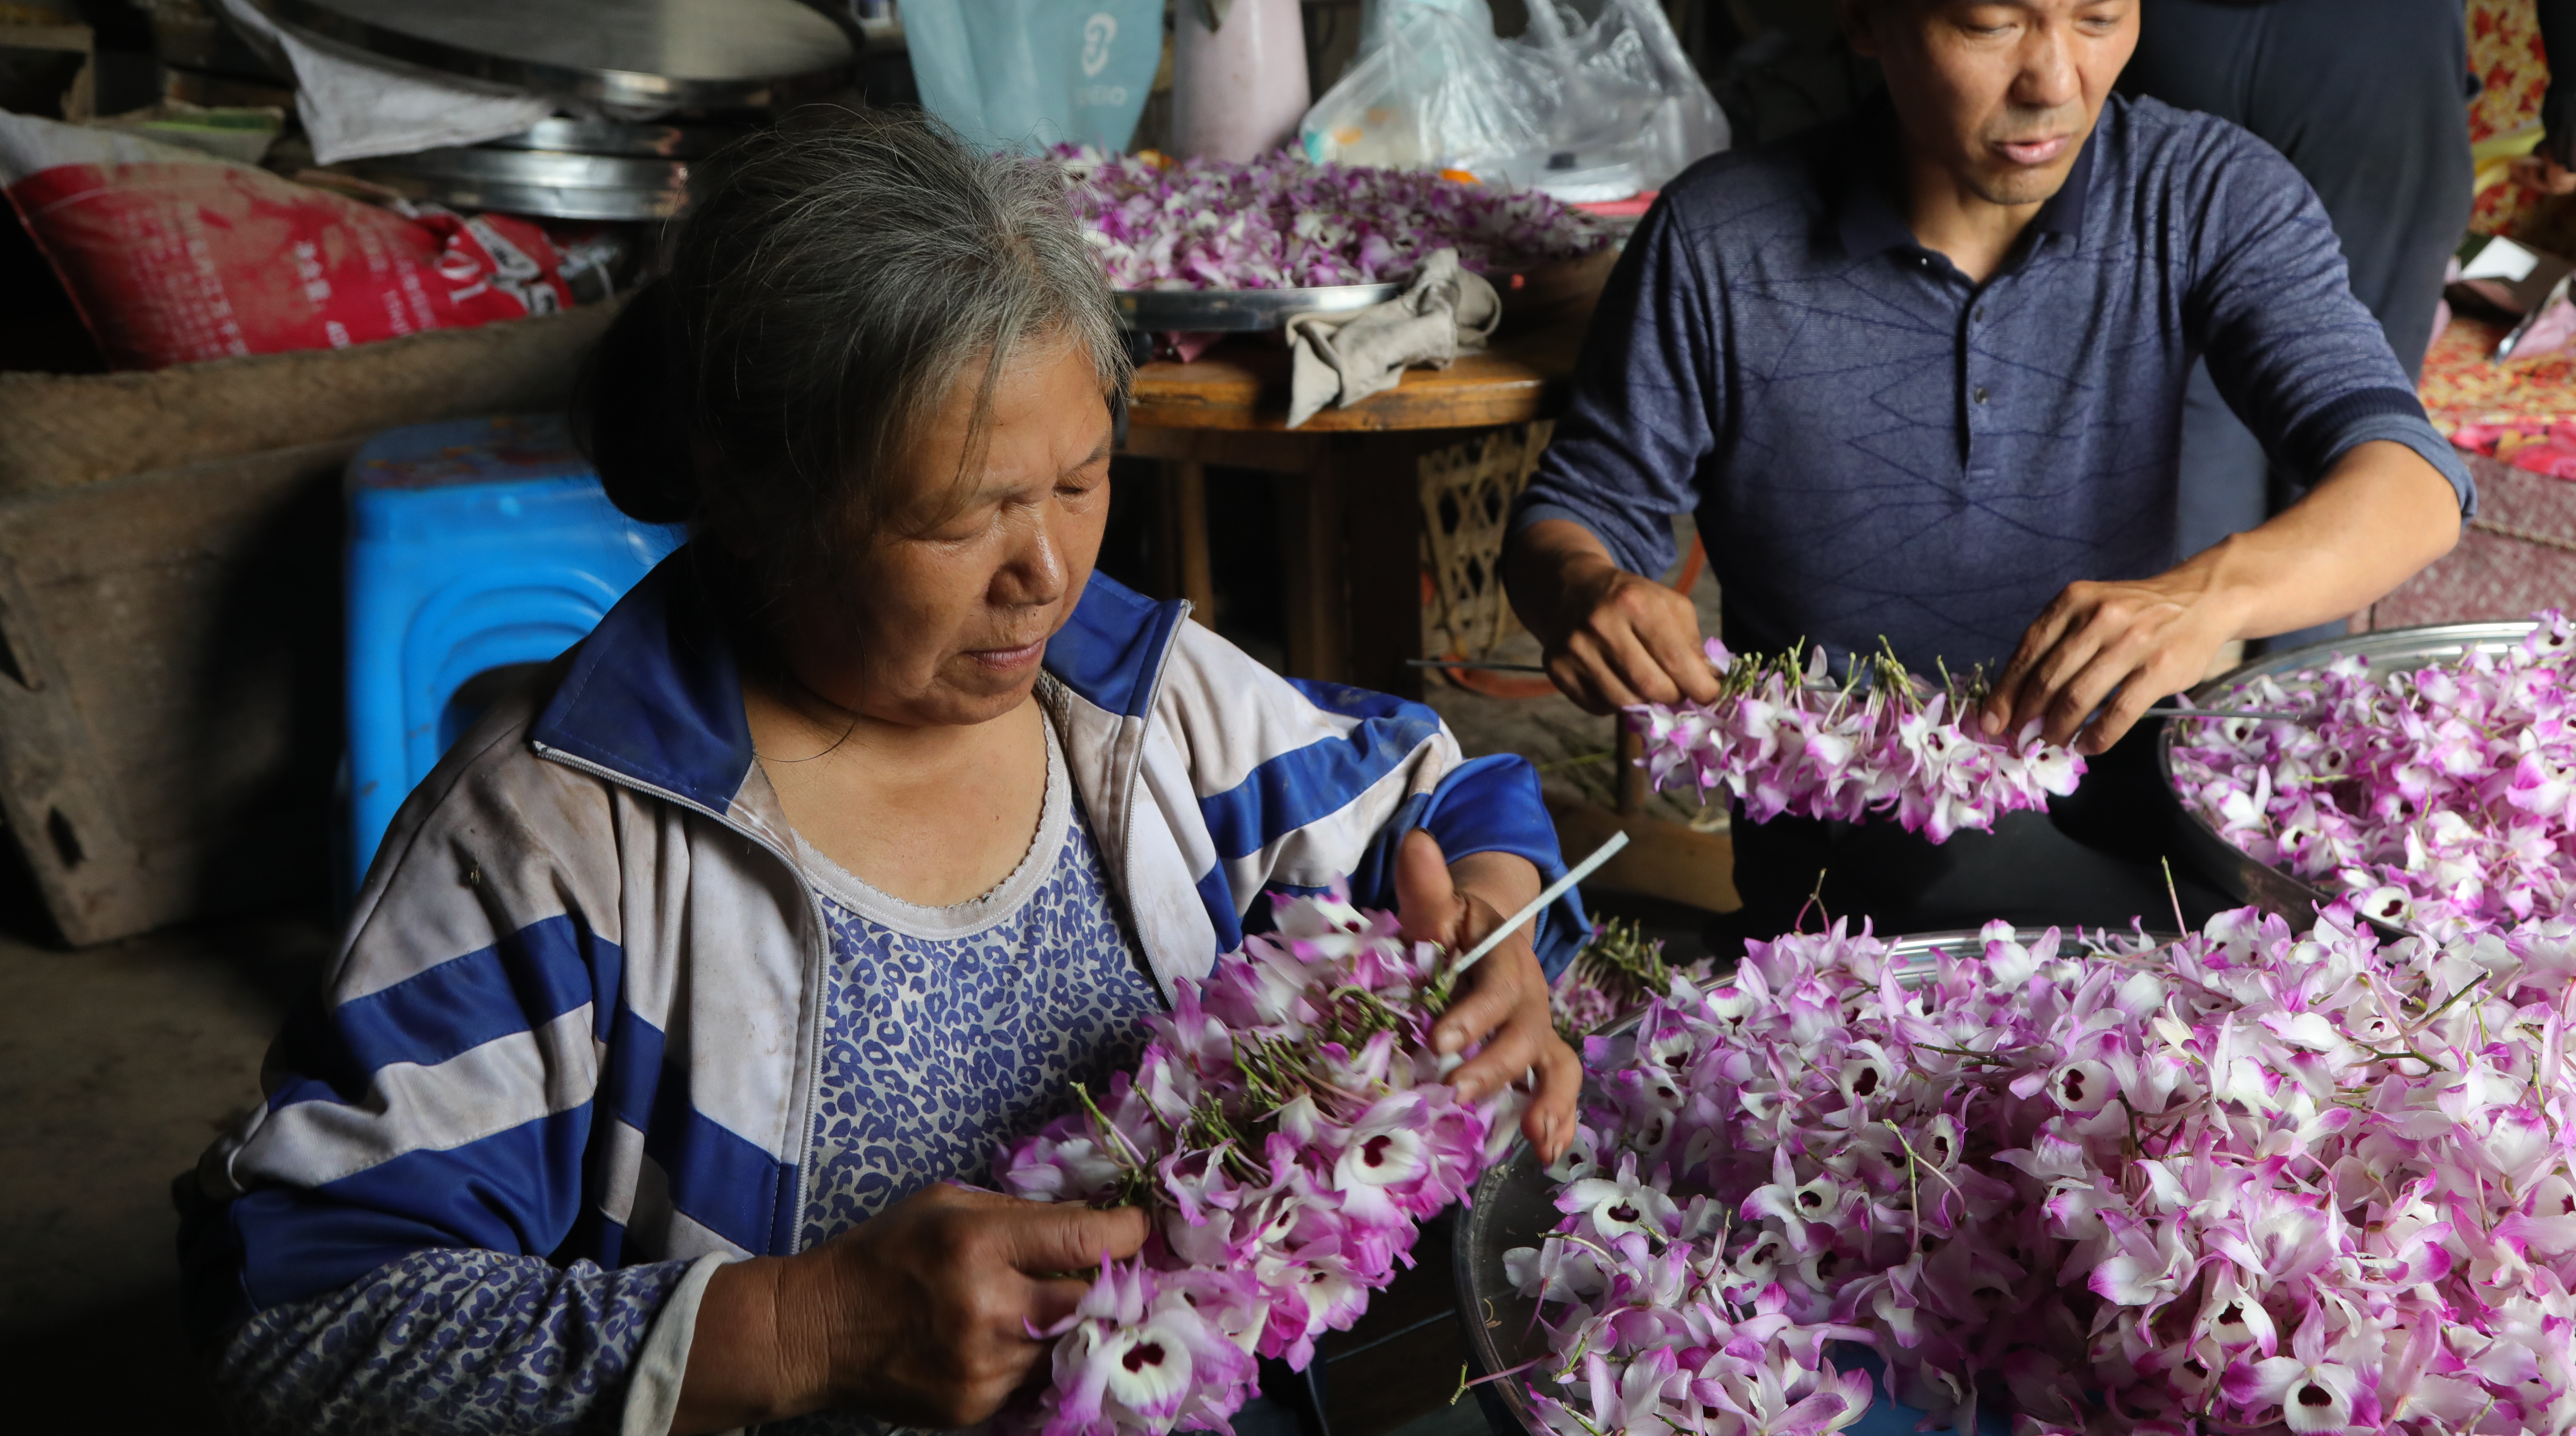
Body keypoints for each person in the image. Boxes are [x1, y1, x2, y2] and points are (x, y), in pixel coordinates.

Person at [177, 113, 1582, 1436]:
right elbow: (297, 1321)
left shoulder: (1145, 699)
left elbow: (1441, 795)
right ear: (755, 495)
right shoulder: (552, 837)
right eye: (961, 516)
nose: (1045, 574)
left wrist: (1495, 924)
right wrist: (806, 1329)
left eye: (1081, 481)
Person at [1500, 0, 2472, 936]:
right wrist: (1589, 593)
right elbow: (1574, 519)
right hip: (1855, 892)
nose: (2055, 82)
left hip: (2133, 820)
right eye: (1990, 23)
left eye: (2102, 17)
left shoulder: (2206, 197)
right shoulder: (1724, 241)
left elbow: (2411, 478)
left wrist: (2212, 599)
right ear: (1867, 11)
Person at [2125, 0, 2576, 637]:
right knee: (2351, 396)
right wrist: (2574, 158)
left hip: (2176, 15)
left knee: (2190, 358)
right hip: (2372, 40)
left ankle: (2151, 674)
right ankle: (2286, 699)